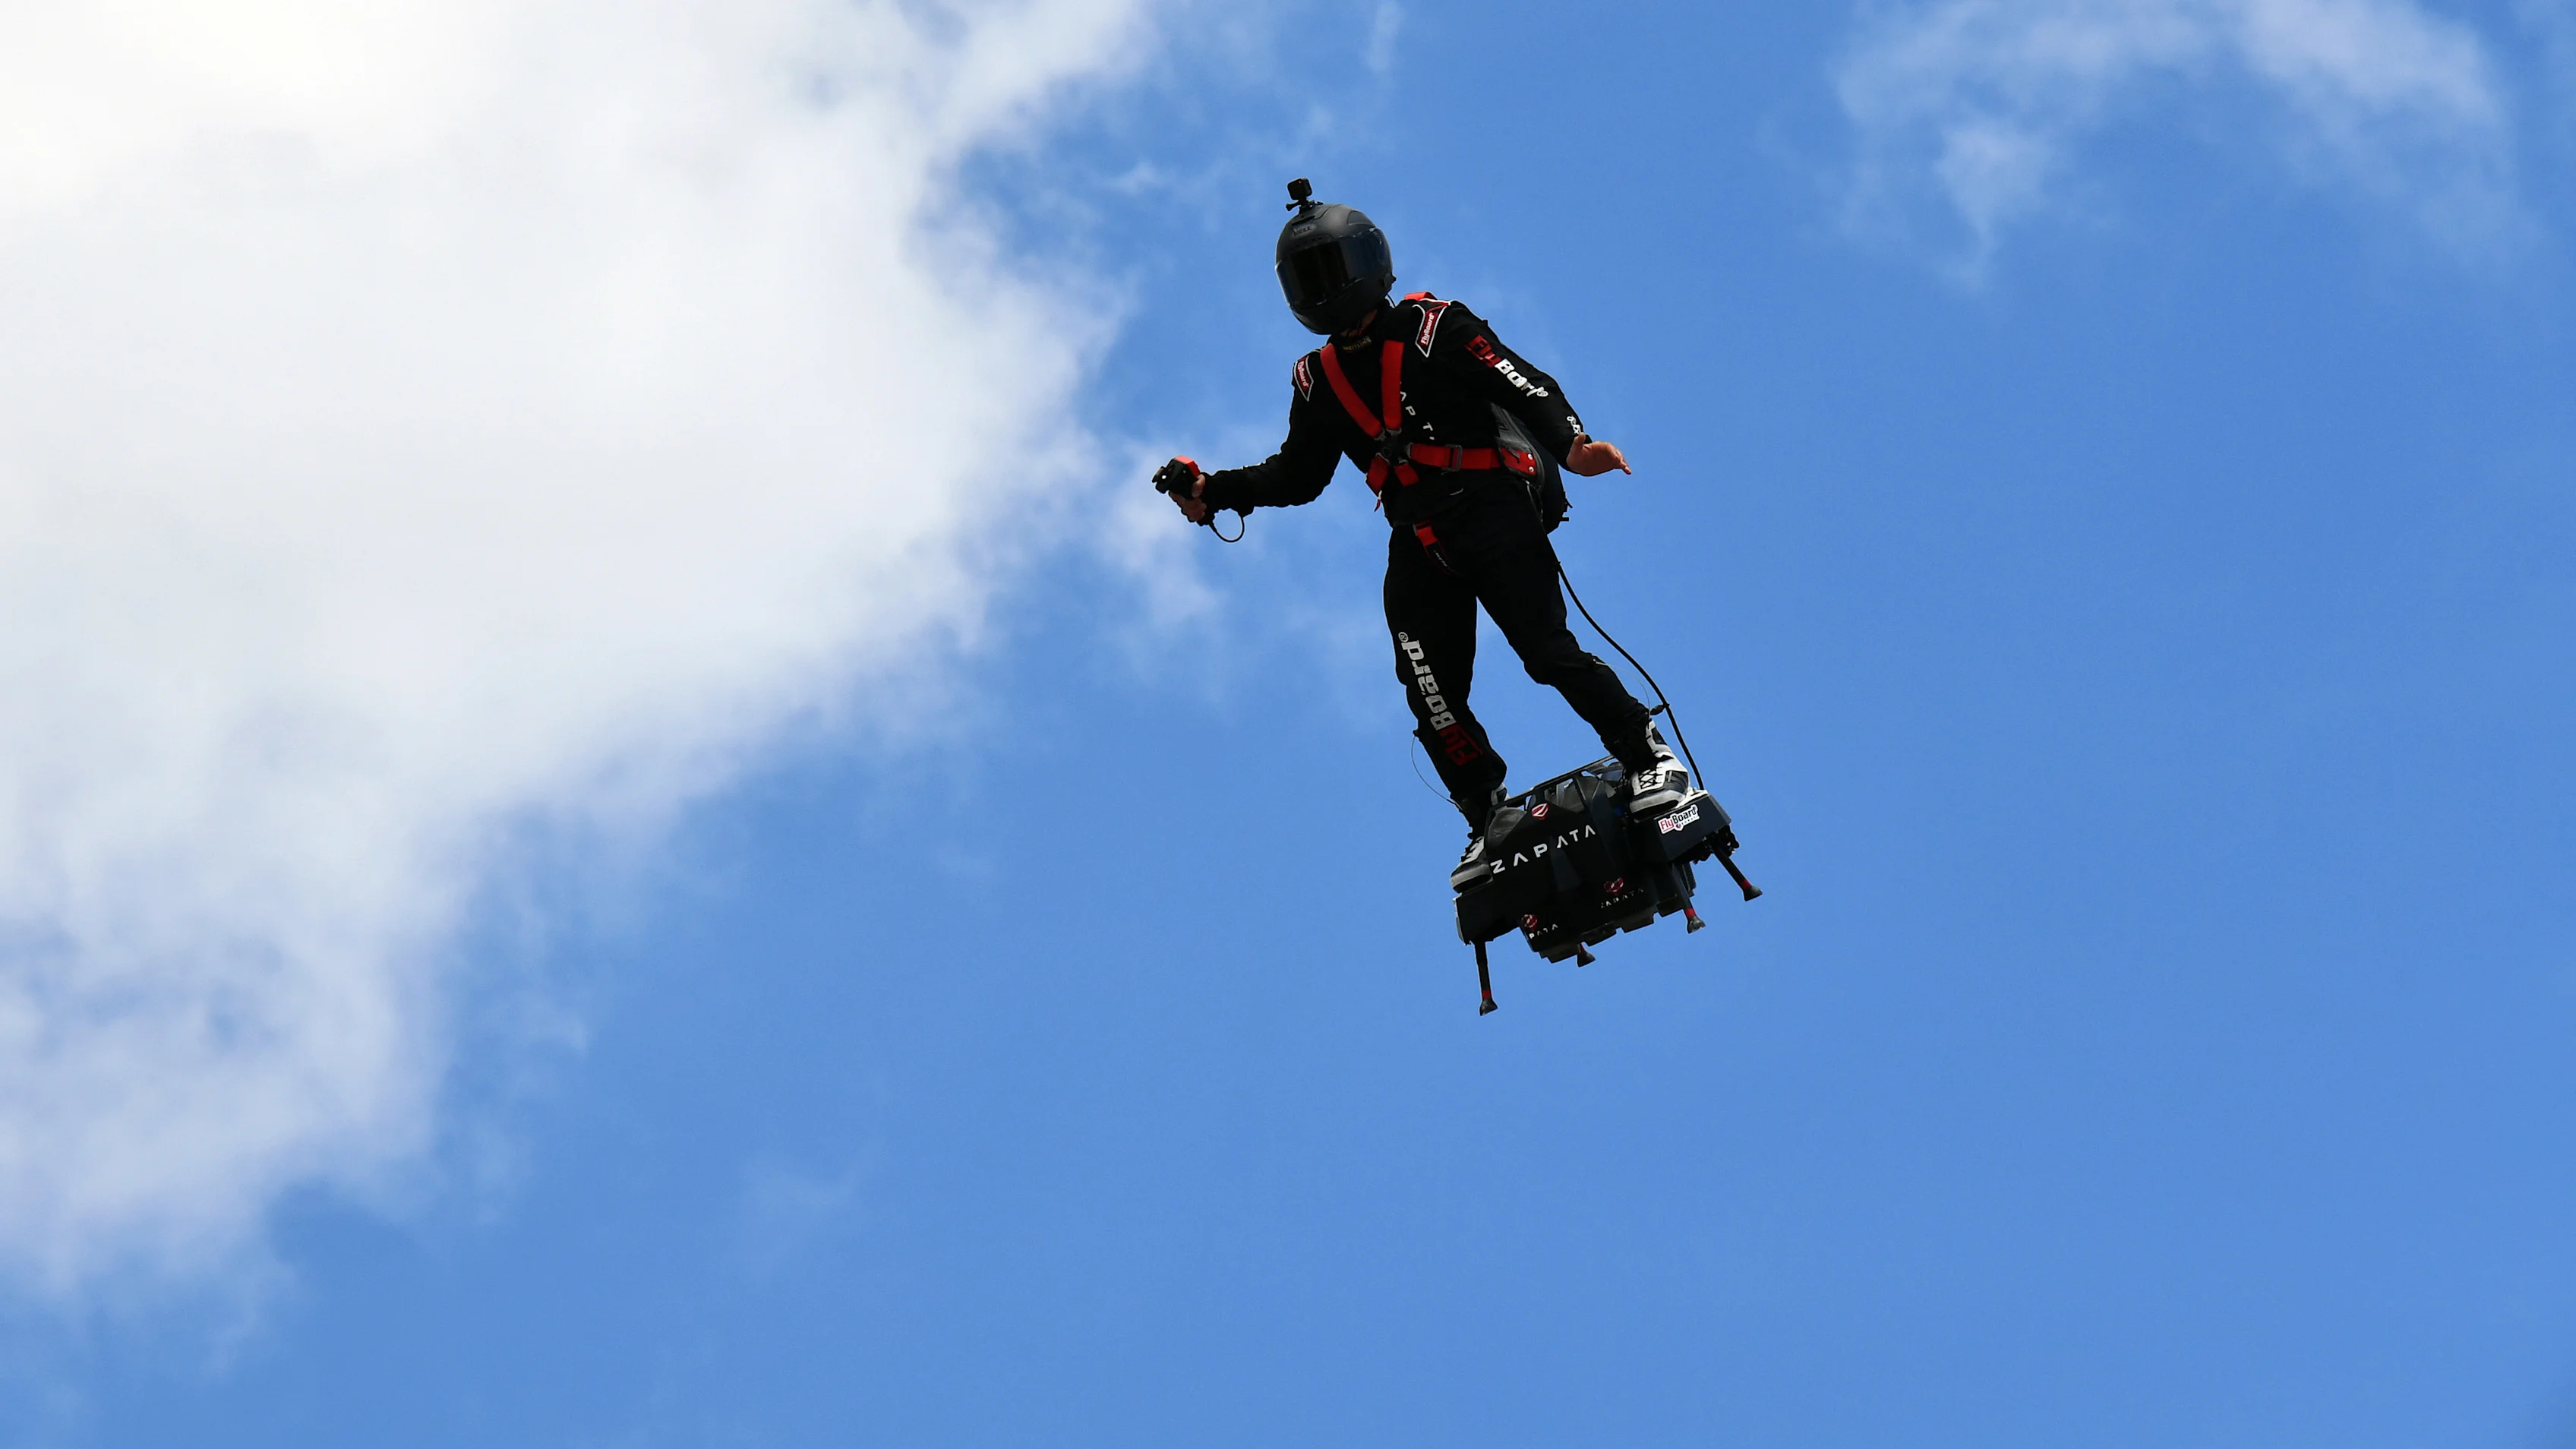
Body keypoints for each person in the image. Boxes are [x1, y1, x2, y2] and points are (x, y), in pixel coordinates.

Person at [1164, 181, 1687, 886]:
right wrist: (1216, 491)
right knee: (1429, 689)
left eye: (1334, 269)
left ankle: (1648, 754)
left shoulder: (1437, 327)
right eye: (1311, 277)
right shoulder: (1315, 381)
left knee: (1546, 652)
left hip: (1494, 509)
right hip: (1419, 539)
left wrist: (1575, 449)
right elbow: (1298, 475)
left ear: (1370, 263)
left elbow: (1523, 384)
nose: (1327, 289)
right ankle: (1487, 815)